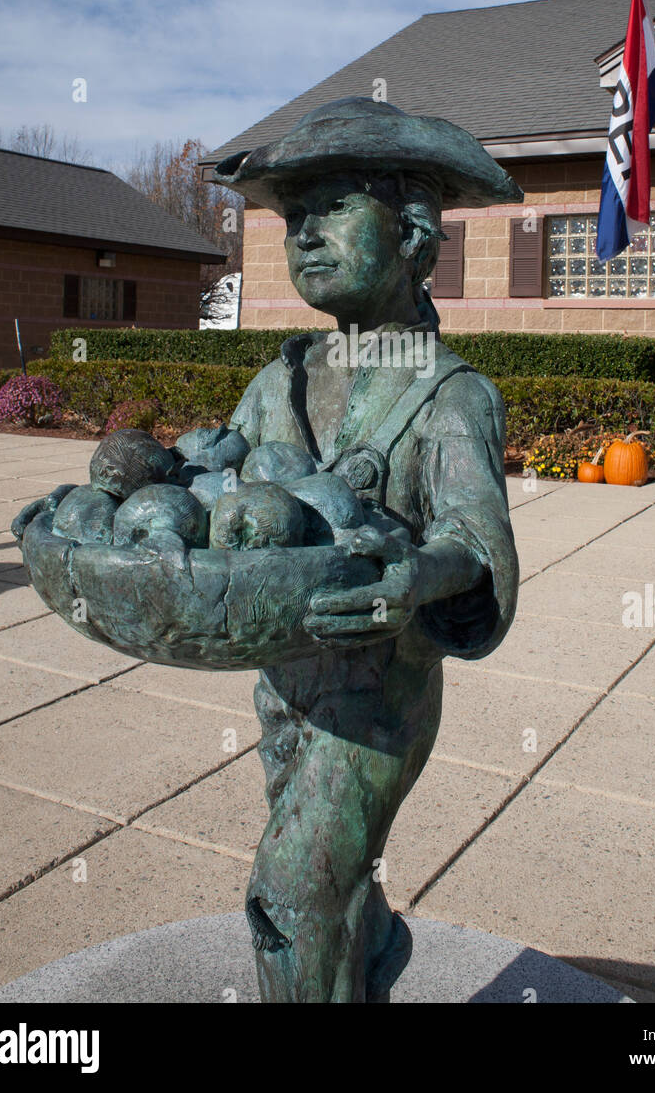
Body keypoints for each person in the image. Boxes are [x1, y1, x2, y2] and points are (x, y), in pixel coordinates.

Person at [210, 96, 522, 1002]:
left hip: (381, 694)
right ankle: (373, 949)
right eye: (291, 216)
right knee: (334, 884)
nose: (304, 232)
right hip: (283, 691)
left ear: (416, 235)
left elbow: (472, 537)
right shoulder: (278, 379)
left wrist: (412, 578)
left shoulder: (452, 395)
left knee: (291, 892)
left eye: (335, 206)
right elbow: (215, 487)